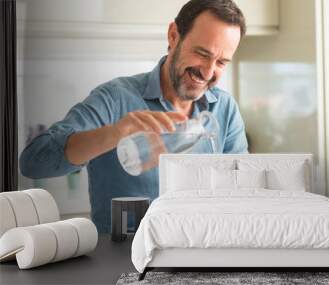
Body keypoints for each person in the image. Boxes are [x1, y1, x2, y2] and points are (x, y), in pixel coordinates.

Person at [20, 0, 248, 233]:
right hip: (121, 261)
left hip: (198, 256)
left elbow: (243, 191)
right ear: (173, 36)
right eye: (201, 53)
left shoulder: (224, 108)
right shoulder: (115, 99)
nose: (208, 72)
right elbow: (34, 163)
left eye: (221, 62)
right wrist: (114, 133)